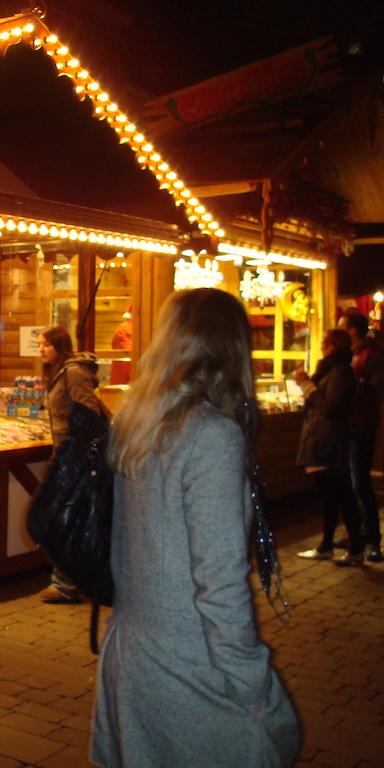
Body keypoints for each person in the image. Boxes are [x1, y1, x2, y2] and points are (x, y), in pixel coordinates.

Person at [91, 288, 300, 768]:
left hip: (134, 653)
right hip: (191, 668)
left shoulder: (138, 423)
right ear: (233, 348)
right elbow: (221, 582)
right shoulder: (210, 437)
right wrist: (251, 684)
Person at [37, 325, 102, 604]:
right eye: (40, 344)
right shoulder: (58, 372)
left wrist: (76, 448)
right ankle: (70, 579)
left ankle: (65, 582)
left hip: (72, 456)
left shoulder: (73, 372)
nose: (41, 349)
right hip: (64, 452)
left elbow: (87, 409)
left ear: (60, 347)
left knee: (64, 518)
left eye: (46, 345)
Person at [294, 328, 365, 565]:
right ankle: (331, 545)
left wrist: (307, 387)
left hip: (327, 442)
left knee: (336, 495)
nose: (321, 350)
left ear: (332, 347)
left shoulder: (340, 372)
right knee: (333, 496)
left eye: (324, 345)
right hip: (323, 440)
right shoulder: (332, 370)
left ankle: (351, 547)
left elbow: (330, 407)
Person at [338, 311, 383, 562]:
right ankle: (354, 533)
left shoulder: (372, 355)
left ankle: (372, 540)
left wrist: (353, 381)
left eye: (342, 326)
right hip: (347, 425)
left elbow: (376, 390)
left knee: (360, 484)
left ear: (352, 330)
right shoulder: (351, 355)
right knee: (348, 484)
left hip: (361, 426)